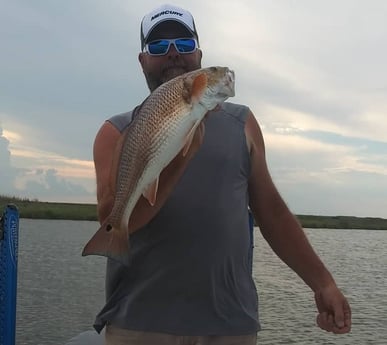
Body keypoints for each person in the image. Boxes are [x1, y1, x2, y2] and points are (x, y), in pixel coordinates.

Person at [92, 4, 352, 344]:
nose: (173, 55)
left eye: (184, 46)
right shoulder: (117, 132)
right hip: (140, 323)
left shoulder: (241, 123)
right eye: (158, 47)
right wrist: (183, 155)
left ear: (199, 54)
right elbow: (114, 223)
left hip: (231, 323)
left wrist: (323, 282)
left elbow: (271, 212)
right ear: (142, 60)